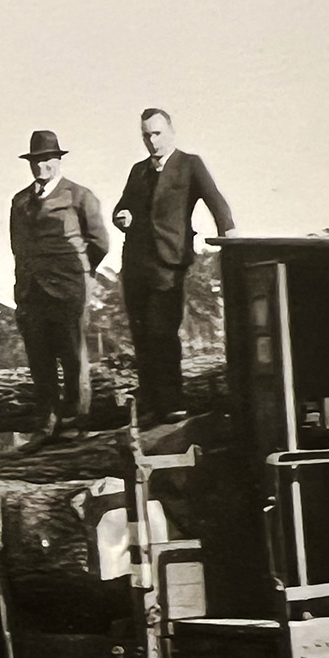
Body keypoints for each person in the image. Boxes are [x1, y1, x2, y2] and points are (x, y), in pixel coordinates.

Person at [112, 108, 234, 424]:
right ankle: (152, 404)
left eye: (157, 134)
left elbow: (216, 202)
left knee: (162, 332)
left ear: (170, 132)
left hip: (169, 262)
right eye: (146, 135)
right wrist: (122, 216)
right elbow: (121, 207)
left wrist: (230, 235)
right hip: (136, 264)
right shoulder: (138, 171)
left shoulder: (189, 164)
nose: (152, 141)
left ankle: (172, 402)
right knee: (141, 337)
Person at [9, 130, 110, 443]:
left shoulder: (79, 195)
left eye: (47, 159)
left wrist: (77, 275)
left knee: (72, 357)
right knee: (40, 360)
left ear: (58, 160)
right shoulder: (20, 201)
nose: (42, 166)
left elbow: (99, 243)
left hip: (68, 291)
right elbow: (18, 246)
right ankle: (47, 423)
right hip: (31, 292)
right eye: (36, 160)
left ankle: (78, 422)